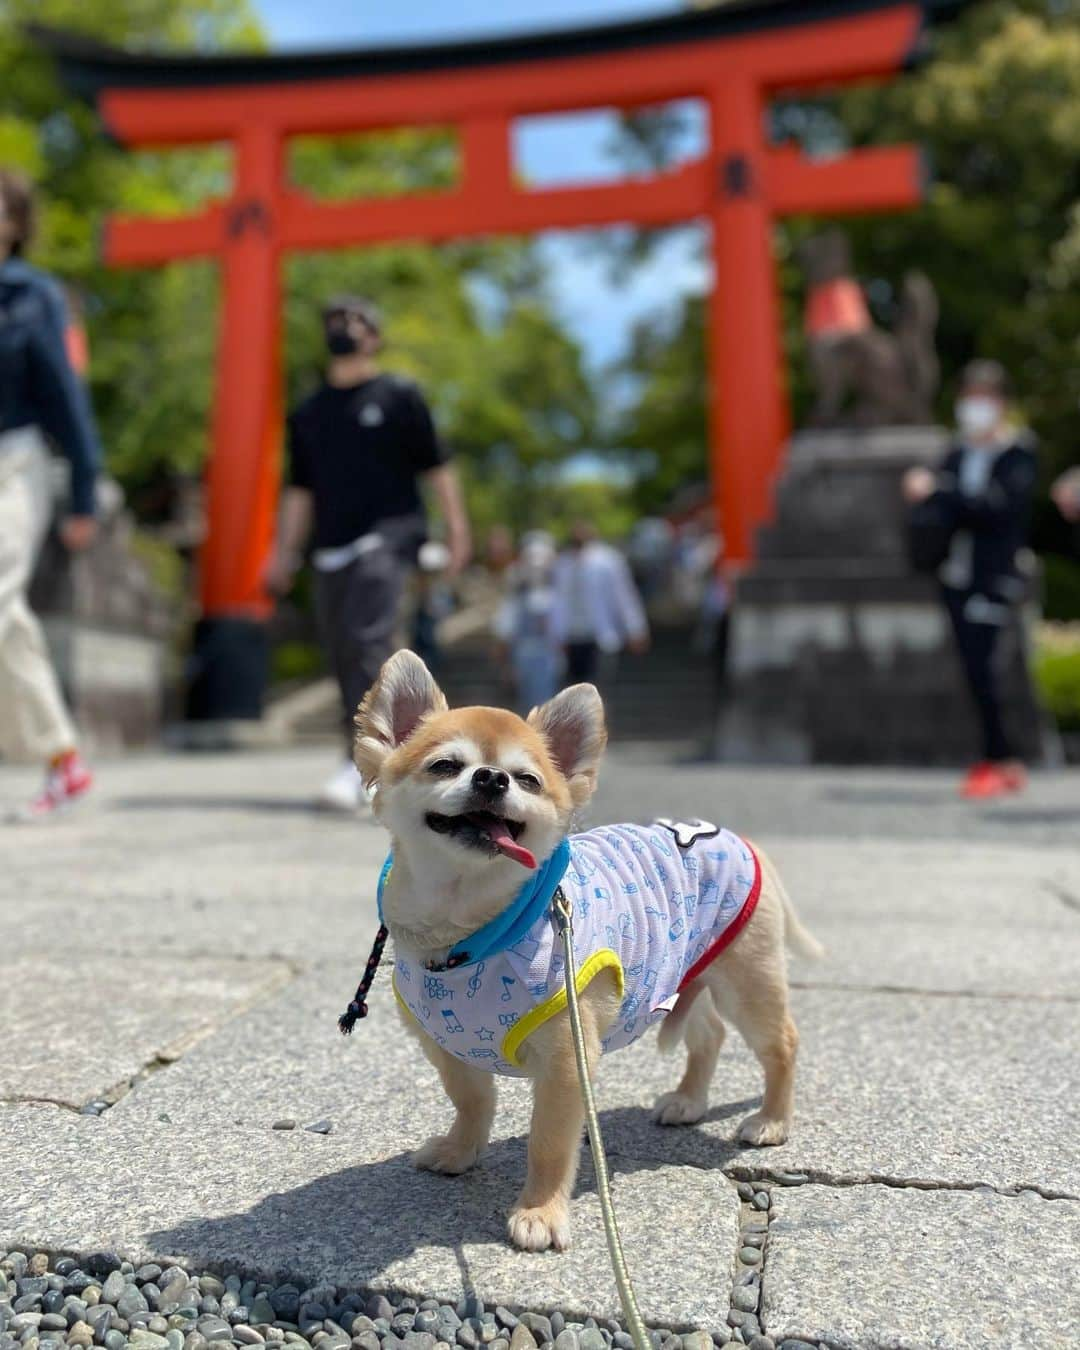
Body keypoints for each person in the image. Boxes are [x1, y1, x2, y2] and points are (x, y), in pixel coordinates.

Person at [266, 295, 470, 811]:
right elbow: (300, 491)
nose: (344, 328)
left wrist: (458, 531)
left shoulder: (399, 394)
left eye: (357, 321)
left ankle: (367, 766)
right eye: (335, 320)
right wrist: (283, 553)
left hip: (390, 536)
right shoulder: (309, 413)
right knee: (340, 652)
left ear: (375, 337)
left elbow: (437, 467)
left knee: (367, 640)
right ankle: (401, 757)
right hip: (330, 546)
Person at [0, 169, 100, 820]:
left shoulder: (34, 295)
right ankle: (64, 759)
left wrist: (85, 491)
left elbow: (66, 395)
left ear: (14, 223)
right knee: (8, 619)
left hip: (14, 459)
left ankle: (61, 757)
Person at [902, 359, 1037, 799]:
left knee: (990, 669)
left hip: (994, 575)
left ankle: (1002, 758)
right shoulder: (956, 453)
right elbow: (947, 512)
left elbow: (998, 510)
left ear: (1000, 403)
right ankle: (999, 757)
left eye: (983, 398)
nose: (974, 407)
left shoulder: (1018, 453)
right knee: (971, 667)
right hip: (954, 574)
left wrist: (941, 490)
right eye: (969, 397)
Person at [551, 520, 650, 686]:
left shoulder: (608, 560)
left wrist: (635, 628)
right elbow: (557, 602)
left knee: (598, 692)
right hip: (571, 638)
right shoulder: (562, 564)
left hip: (600, 637)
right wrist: (555, 635)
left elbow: (623, 596)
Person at [493, 530, 563, 713]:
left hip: (548, 654)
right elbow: (506, 625)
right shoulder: (516, 595)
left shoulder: (557, 593)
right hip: (523, 653)